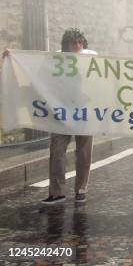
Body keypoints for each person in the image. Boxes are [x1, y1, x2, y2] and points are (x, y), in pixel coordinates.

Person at [2, 28, 97, 205]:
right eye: (73, 42)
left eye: (80, 42)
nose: (77, 46)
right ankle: (57, 192)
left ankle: (81, 189)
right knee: (57, 152)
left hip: (84, 113)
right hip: (60, 112)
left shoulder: (91, 59)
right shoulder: (55, 59)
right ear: (66, 44)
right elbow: (38, 76)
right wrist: (14, 58)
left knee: (84, 153)